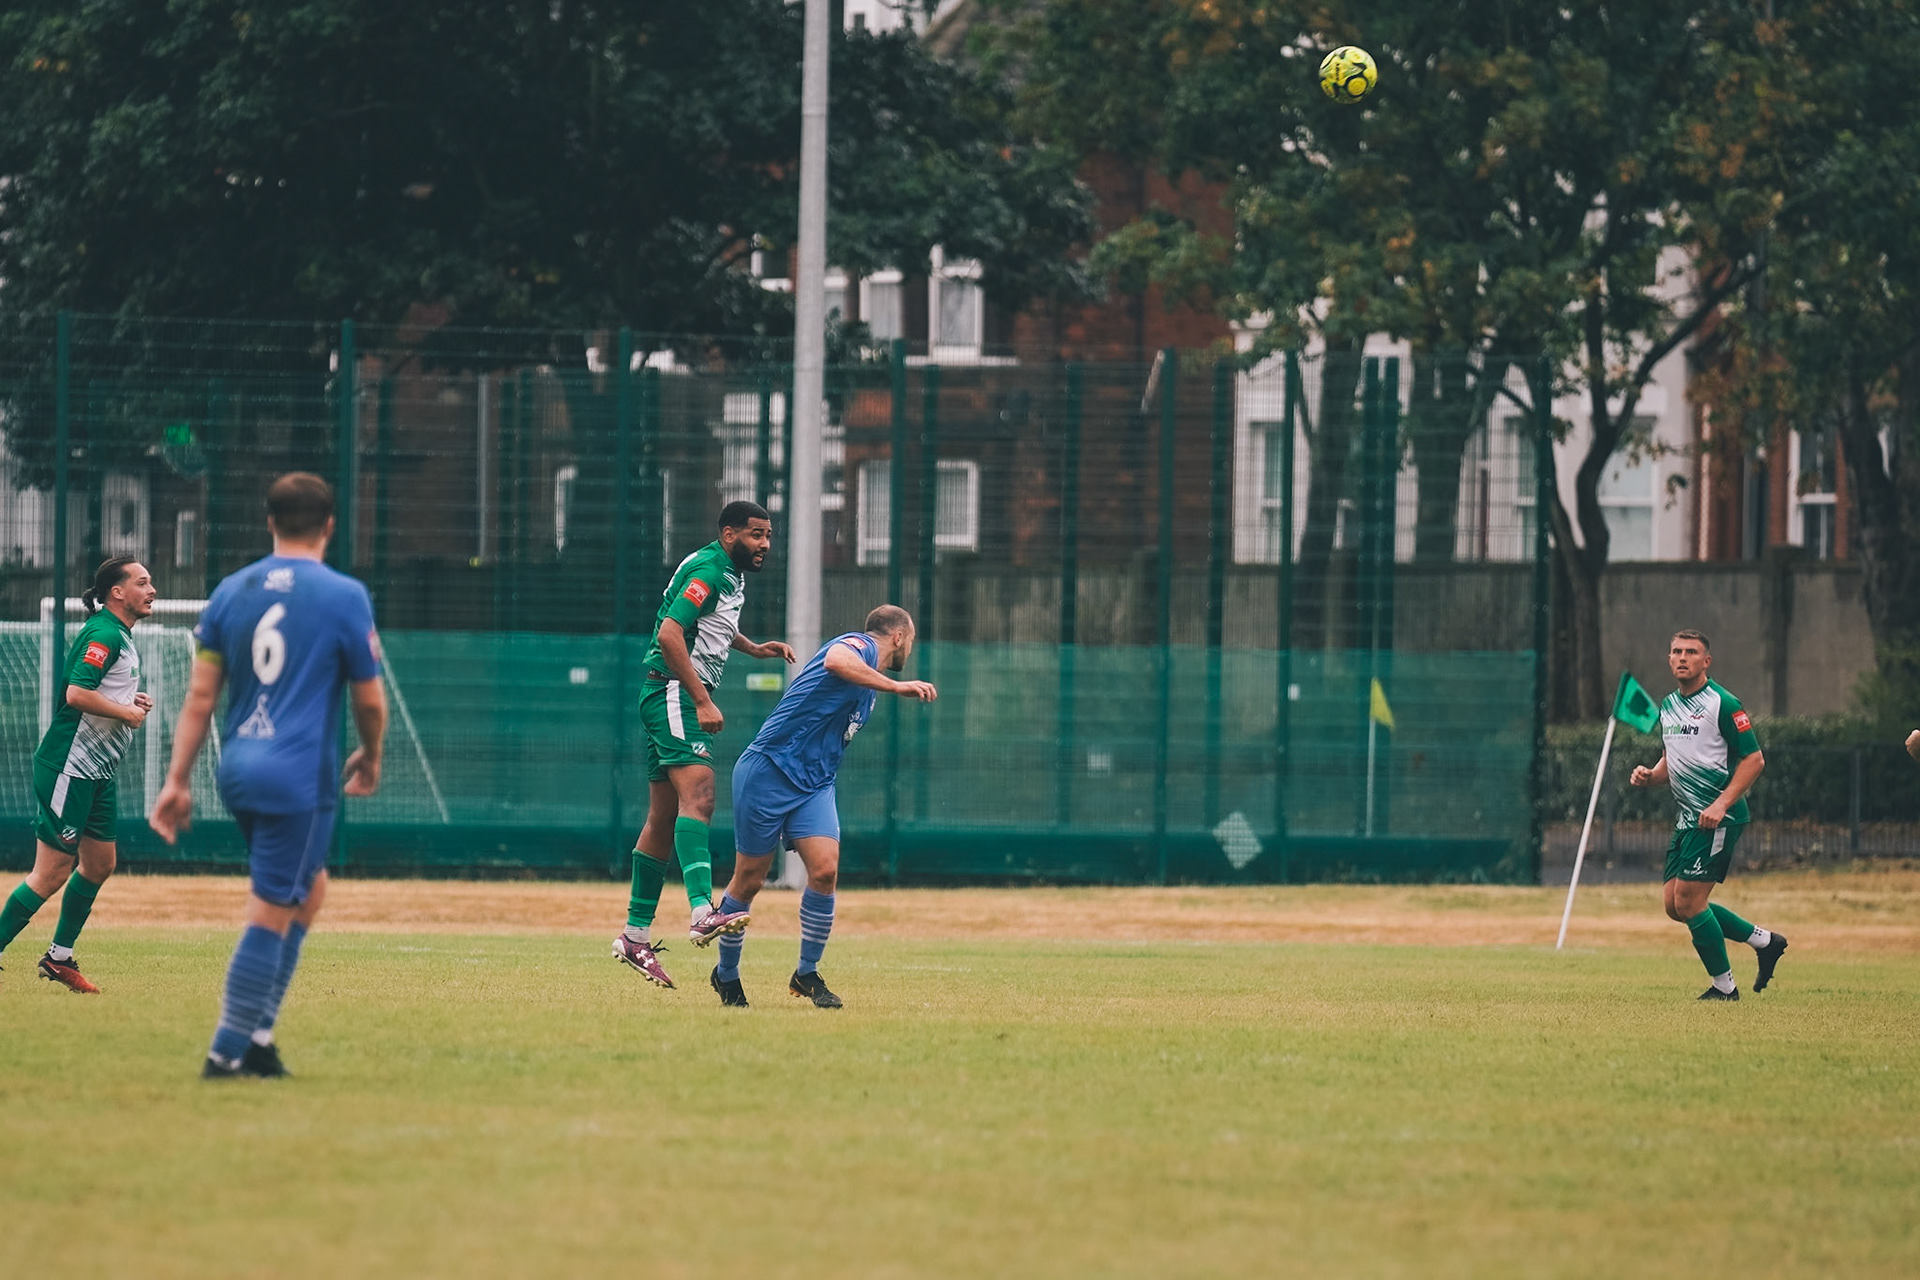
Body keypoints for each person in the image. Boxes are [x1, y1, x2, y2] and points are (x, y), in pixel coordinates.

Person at [149, 473, 387, 1078]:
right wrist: (372, 753)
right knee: (272, 909)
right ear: (330, 525)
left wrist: (177, 780)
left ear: (270, 522)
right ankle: (227, 1054)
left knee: (309, 890)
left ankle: (258, 1036)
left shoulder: (231, 591)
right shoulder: (344, 596)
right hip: (298, 777)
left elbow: (200, 698)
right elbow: (369, 699)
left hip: (239, 769)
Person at [708, 604, 936, 1009]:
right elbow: (835, 659)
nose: (910, 649)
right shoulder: (861, 646)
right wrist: (897, 686)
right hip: (769, 769)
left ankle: (806, 973)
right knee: (749, 880)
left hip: (815, 784)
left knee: (826, 870)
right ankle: (726, 974)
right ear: (898, 636)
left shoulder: (868, 685)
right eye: (911, 640)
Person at [612, 500, 795, 989]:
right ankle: (701, 911)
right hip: (673, 691)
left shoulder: (727, 573)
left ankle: (634, 936)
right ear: (730, 534)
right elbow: (671, 634)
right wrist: (701, 700)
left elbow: (708, 624)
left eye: (768, 535)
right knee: (701, 795)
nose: (765, 544)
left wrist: (752, 647)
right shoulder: (710, 570)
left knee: (663, 817)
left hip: (667, 693)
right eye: (756, 535)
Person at [0, 557, 157, 992]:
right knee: (52, 872)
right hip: (70, 766)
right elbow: (77, 694)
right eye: (142, 582)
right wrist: (126, 712)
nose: (152, 590)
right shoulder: (105, 633)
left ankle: (59, 958)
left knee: (100, 864)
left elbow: (99, 691)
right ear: (117, 592)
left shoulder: (119, 634)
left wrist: (130, 700)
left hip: (97, 772)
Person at [1629, 630, 1787, 1001]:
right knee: (1675, 905)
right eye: (1676, 651)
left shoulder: (1724, 702)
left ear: (1706, 661)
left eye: (1691, 652)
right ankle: (1765, 941)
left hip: (1719, 818)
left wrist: (1721, 804)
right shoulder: (1669, 704)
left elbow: (1754, 759)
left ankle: (1724, 987)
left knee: (1689, 902)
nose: (1682, 657)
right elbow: (1672, 758)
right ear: (1669, 659)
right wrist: (1651, 775)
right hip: (1688, 818)